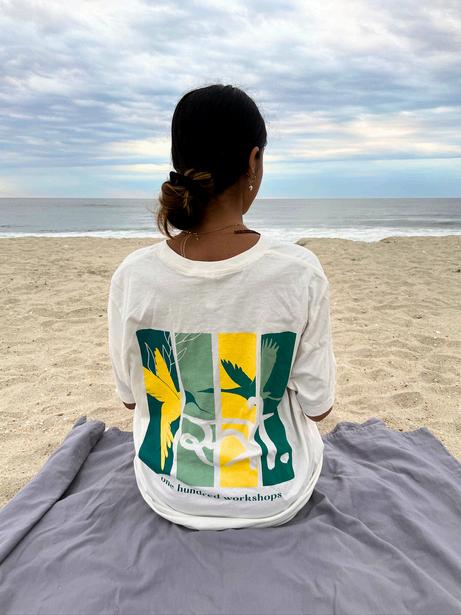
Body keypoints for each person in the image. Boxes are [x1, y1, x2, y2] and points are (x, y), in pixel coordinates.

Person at [107, 84, 336, 531]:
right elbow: (318, 407)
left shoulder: (134, 276)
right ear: (254, 161)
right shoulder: (299, 271)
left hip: (168, 489)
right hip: (274, 495)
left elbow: (131, 400)